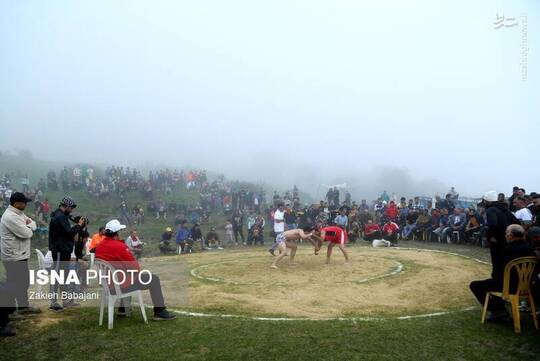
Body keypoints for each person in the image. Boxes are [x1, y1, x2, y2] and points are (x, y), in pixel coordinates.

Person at [95, 219, 176, 321]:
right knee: (154, 279)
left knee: (124, 275)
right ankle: (159, 312)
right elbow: (134, 267)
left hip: (107, 285)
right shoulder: (119, 246)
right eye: (120, 230)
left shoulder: (100, 246)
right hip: (119, 286)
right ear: (117, 233)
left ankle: (123, 308)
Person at [469, 224, 535, 321]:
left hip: (509, 286)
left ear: (511, 235)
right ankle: (499, 308)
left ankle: (498, 310)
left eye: (506, 233)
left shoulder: (507, 250)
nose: (505, 235)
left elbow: (498, 272)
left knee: (475, 285)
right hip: (527, 286)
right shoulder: (530, 249)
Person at [0, 192, 41, 319]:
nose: (26, 204)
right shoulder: (11, 217)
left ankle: (23, 306)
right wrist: (29, 227)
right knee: (13, 284)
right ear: (17, 203)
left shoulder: (18, 213)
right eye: (24, 202)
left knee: (23, 282)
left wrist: (30, 225)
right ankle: (10, 312)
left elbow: (32, 223)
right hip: (13, 256)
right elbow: (27, 233)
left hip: (20, 255)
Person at [48, 196, 87, 312]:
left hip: (64, 250)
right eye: (72, 207)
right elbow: (70, 233)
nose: (72, 210)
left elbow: (68, 227)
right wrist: (79, 225)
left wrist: (77, 222)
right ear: (67, 206)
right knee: (57, 276)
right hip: (59, 250)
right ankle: (53, 302)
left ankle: (65, 301)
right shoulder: (60, 217)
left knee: (63, 276)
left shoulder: (62, 215)